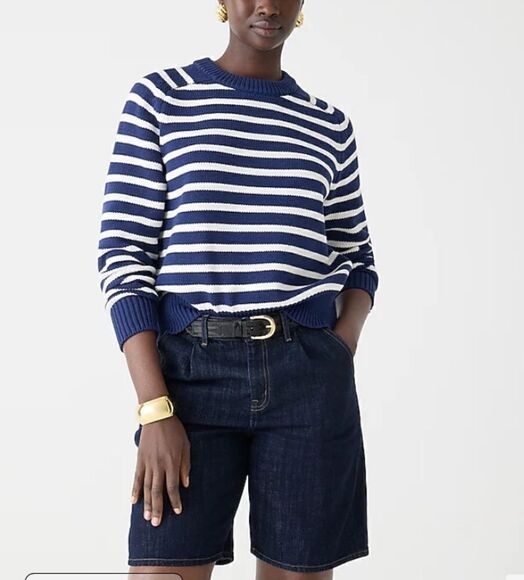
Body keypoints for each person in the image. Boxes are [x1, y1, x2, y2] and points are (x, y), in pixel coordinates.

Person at [97, 1, 379, 579]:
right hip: (188, 378)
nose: (267, 6)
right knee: (162, 567)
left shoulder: (328, 125)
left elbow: (357, 256)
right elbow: (124, 258)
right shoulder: (161, 99)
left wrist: (339, 346)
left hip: (308, 378)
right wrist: (154, 408)